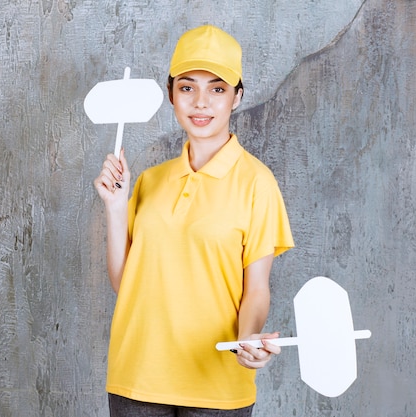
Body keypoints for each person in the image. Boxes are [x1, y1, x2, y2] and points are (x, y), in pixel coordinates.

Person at [93, 25, 294, 417]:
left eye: (217, 89)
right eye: (187, 87)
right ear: (171, 95)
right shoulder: (149, 181)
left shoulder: (258, 183)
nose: (200, 102)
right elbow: (126, 284)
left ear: (237, 97)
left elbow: (256, 289)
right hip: (137, 376)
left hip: (217, 386)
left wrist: (248, 339)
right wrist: (116, 207)